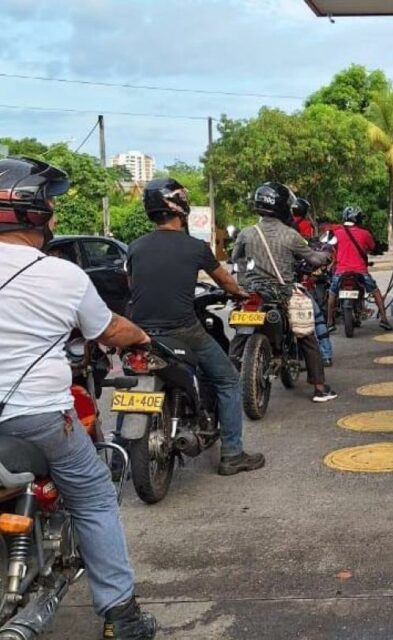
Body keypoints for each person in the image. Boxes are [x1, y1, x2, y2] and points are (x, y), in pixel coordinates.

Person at [0, 157, 156, 639]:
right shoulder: (62, 276)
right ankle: (121, 616)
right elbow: (110, 328)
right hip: (39, 416)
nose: (55, 214)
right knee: (95, 499)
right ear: (33, 211)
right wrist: (142, 339)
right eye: (50, 204)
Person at [128, 178, 265, 476]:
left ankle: (120, 460)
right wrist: (240, 293)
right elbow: (225, 281)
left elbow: (133, 286)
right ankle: (232, 453)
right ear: (180, 207)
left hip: (139, 333)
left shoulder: (134, 247)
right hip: (183, 329)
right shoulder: (195, 247)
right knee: (228, 381)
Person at [232, 182, 338, 403]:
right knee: (307, 334)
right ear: (283, 206)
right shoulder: (290, 235)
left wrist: (244, 283)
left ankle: (226, 384)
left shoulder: (246, 233)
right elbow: (313, 259)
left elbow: (236, 260)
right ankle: (320, 388)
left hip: (252, 294)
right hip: (283, 293)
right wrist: (326, 254)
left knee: (239, 337)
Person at [326, 206, 393, 332]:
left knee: (332, 293)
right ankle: (384, 319)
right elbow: (372, 247)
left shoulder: (337, 233)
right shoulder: (365, 233)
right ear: (357, 220)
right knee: (375, 292)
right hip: (360, 271)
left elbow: (329, 246)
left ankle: (329, 322)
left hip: (341, 272)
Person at [291, 197, 334, 367]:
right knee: (316, 317)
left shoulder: (251, 233)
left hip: (259, 287)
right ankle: (324, 355)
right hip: (289, 285)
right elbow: (309, 252)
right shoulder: (295, 232)